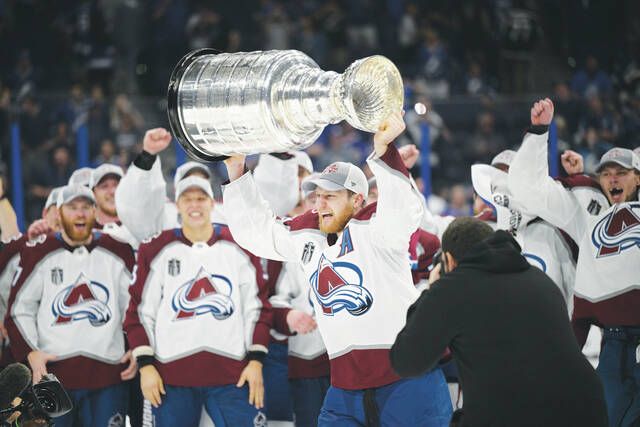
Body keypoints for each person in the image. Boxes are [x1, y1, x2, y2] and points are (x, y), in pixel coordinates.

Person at [222, 112, 452, 426]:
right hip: (345, 386)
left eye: (330, 196)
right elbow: (257, 233)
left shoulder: (378, 229)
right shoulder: (309, 237)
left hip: (407, 378)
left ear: (357, 200)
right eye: (317, 196)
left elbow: (402, 209)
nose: (320, 204)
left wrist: (385, 149)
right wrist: (236, 171)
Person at [390, 217, 608, 427]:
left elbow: (407, 361)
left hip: (518, 415)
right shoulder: (539, 280)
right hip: (587, 409)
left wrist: (432, 292)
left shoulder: (453, 289)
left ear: (448, 260)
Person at [508, 98, 640, 426]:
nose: (612, 179)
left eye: (621, 173)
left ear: (636, 177)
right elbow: (529, 191)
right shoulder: (589, 209)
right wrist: (539, 133)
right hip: (611, 341)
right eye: (606, 174)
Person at [123, 176, 271, 427]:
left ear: (212, 203)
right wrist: (146, 366)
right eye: (187, 199)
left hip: (233, 375)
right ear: (177, 205)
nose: (195, 205)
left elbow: (257, 309)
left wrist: (255, 360)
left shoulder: (239, 245)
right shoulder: (155, 248)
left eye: (201, 198)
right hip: (170, 378)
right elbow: (139, 313)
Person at [5, 184, 137, 426]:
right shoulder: (38, 252)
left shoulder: (117, 250)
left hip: (108, 375)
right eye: (73, 207)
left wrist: (139, 346)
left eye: (86, 207)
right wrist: (30, 352)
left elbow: (136, 305)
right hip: (53, 379)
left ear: (95, 212)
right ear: (60, 212)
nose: (80, 213)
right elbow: (18, 310)